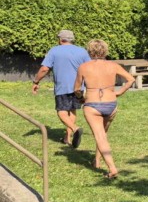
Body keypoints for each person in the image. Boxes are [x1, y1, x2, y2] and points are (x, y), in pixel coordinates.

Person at [74, 40, 136, 179]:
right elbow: (131, 79)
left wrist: (81, 98)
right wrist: (119, 92)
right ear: (105, 51)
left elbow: (77, 89)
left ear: (90, 51)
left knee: (100, 136)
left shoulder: (83, 67)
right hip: (111, 104)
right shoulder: (113, 65)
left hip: (92, 105)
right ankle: (97, 161)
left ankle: (112, 168)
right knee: (103, 134)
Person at [32, 29, 91, 148]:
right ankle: (67, 138)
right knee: (72, 110)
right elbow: (89, 68)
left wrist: (36, 81)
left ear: (60, 39)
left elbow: (44, 69)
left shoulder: (54, 50)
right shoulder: (82, 51)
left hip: (63, 86)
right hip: (78, 87)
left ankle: (75, 128)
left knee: (62, 112)